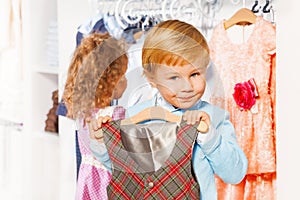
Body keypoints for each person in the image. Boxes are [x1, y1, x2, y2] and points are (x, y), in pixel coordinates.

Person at [95, 20, 248, 200]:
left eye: (195, 74)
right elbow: (121, 168)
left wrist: (209, 137)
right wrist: (100, 142)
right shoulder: (134, 115)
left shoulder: (214, 118)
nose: (187, 87)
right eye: (174, 77)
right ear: (152, 79)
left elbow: (235, 174)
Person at [64, 32, 128, 200]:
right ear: (110, 82)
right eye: (122, 77)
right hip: (107, 179)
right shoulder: (114, 114)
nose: (126, 81)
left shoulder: (82, 112)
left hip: (87, 177)